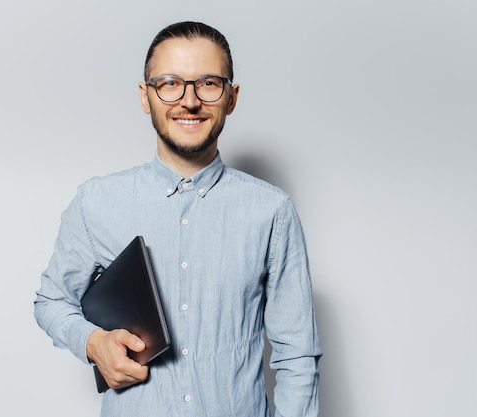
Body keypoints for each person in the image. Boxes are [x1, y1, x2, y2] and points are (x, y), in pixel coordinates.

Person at [34, 21, 322, 417]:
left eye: (208, 83)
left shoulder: (271, 212)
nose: (189, 101)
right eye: (170, 83)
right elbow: (51, 301)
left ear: (232, 97)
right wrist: (91, 342)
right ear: (145, 96)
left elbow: (297, 357)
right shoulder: (96, 202)